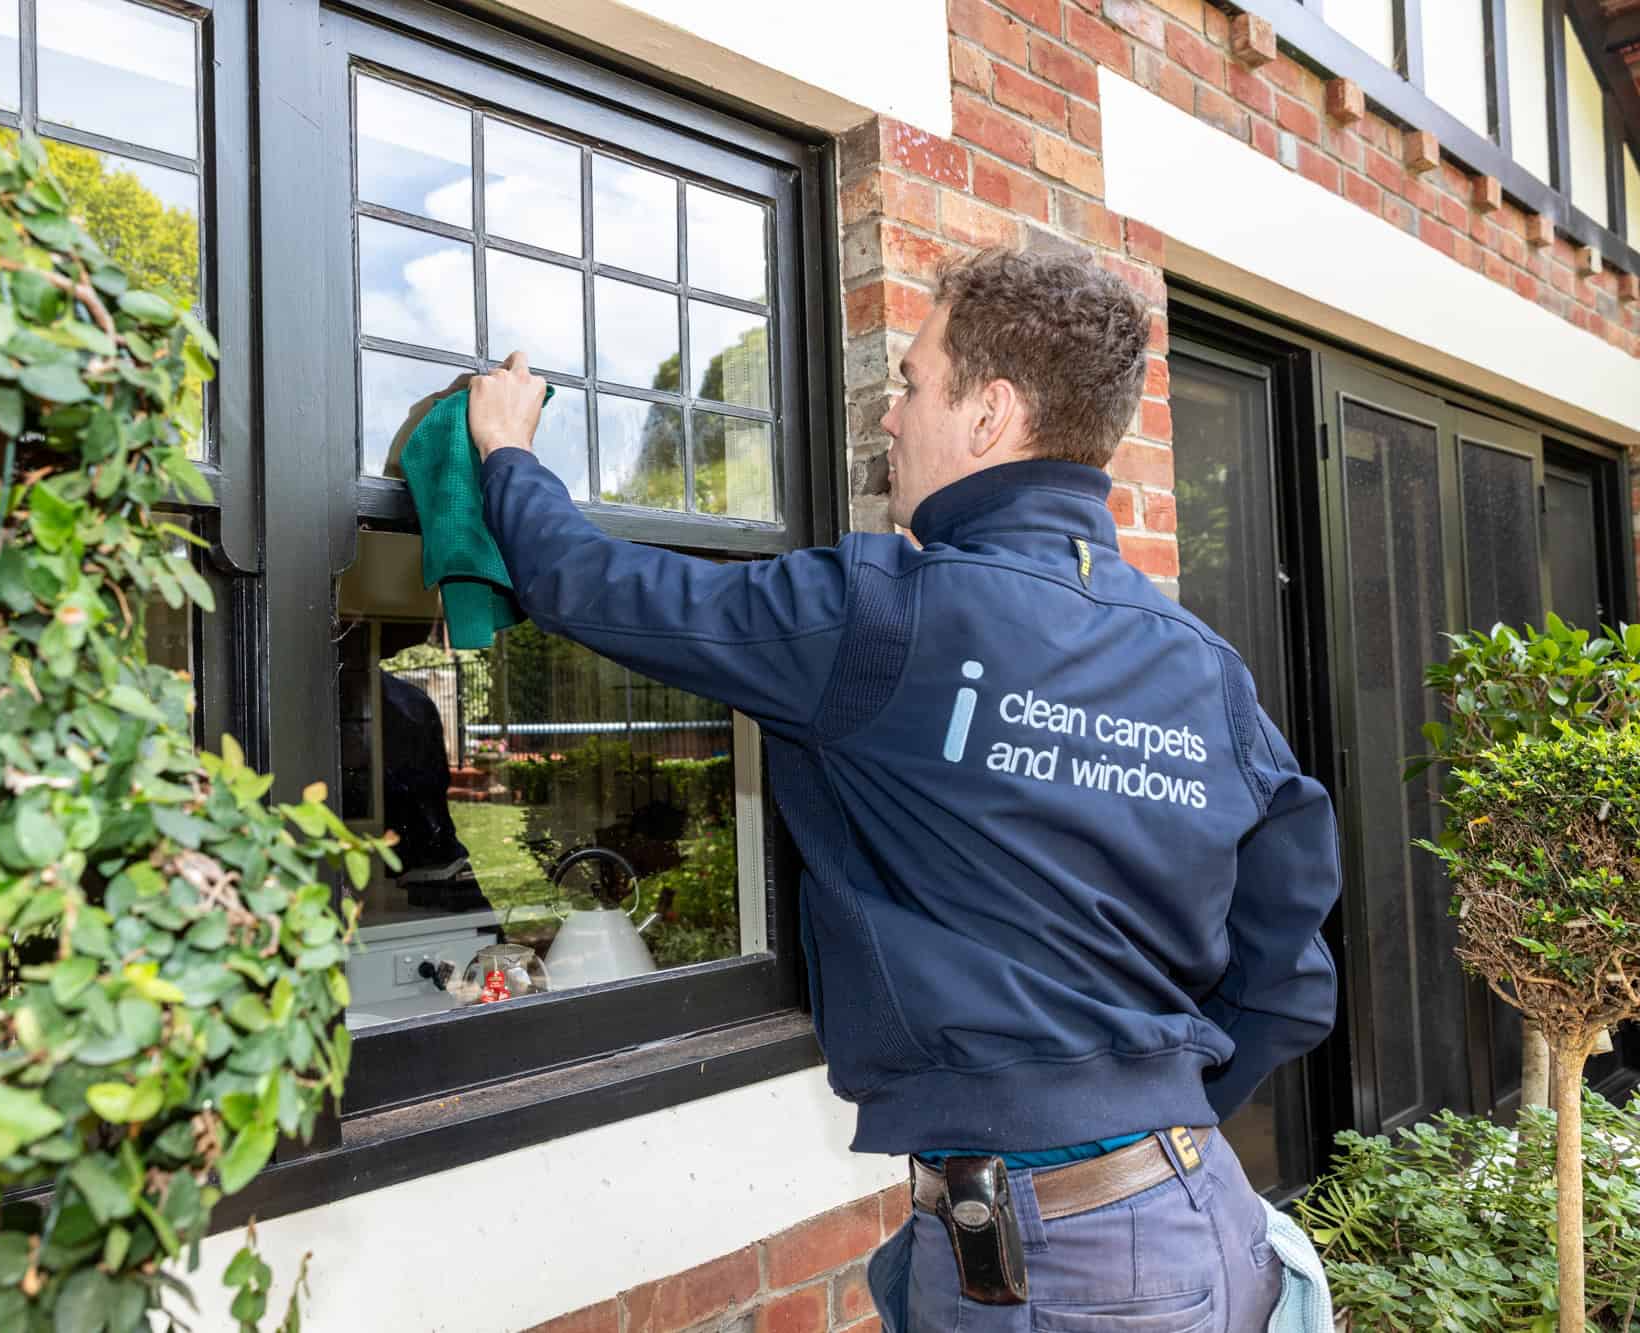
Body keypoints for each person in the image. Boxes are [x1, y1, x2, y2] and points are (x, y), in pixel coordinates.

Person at [464, 248, 1340, 1332]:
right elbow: (1289, 979)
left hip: (1056, 1264)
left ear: (990, 414)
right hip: (1185, 1212)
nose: (889, 417)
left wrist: (504, 448)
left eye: (914, 383)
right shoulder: (1199, 663)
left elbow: (589, 584)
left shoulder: (880, 615)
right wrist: (1147, 1114)